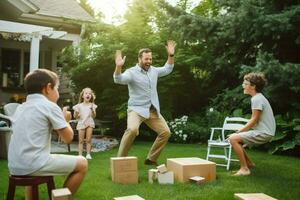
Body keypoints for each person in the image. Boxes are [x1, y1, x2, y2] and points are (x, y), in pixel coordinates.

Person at [8, 69, 88, 198]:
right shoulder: (49, 106)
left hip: (15, 166)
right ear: (48, 88)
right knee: (82, 163)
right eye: (56, 88)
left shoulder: (21, 108)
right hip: (34, 164)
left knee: (33, 166)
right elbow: (68, 138)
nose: (57, 93)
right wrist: (66, 121)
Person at [113, 40, 176, 165]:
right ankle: (119, 160)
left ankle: (151, 159)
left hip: (152, 110)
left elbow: (168, 68)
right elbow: (118, 79)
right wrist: (118, 66)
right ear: (139, 59)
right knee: (132, 129)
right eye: (146, 59)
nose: (149, 62)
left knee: (166, 132)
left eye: (150, 59)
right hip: (136, 109)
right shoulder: (131, 72)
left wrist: (171, 55)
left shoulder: (154, 71)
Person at [228, 72, 276, 176]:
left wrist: (239, 131)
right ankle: (249, 163)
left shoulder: (257, 99)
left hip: (264, 133)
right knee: (235, 138)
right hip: (266, 132)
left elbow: (254, 120)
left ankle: (244, 169)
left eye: (245, 84)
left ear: (253, 86)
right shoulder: (258, 97)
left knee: (233, 139)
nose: (243, 86)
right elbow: (255, 120)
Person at [73, 88, 97, 159]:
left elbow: (94, 116)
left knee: (88, 140)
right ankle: (80, 155)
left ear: (91, 96)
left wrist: (93, 110)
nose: (88, 95)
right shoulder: (78, 106)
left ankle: (88, 154)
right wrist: (76, 112)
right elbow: (75, 117)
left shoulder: (92, 105)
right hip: (81, 123)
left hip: (89, 123)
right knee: (81, 140)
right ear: (83, 96)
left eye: (89, 93)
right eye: (86, 93)